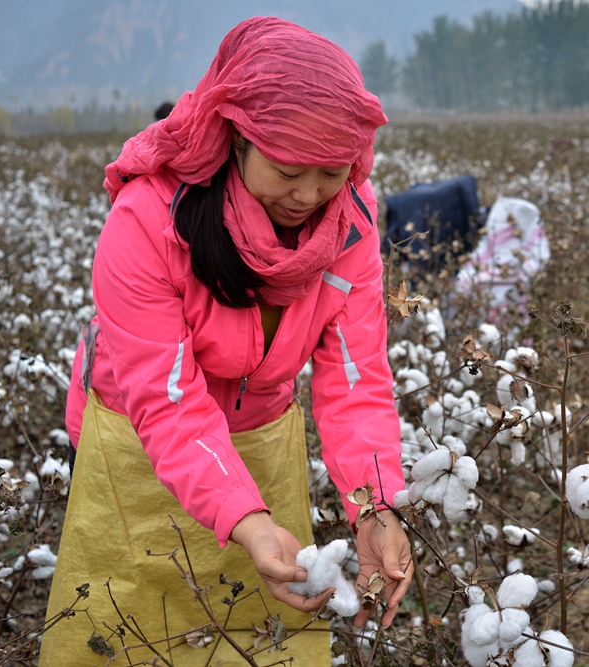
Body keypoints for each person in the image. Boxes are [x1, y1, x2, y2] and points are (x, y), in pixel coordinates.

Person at [41, 17, 411, 664]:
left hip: (260, 435)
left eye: (332, 171)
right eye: (288, 169)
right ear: (236, 137)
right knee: (127, 631)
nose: (309, 194)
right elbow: (169, 400)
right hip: (136, 441)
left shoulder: (349, 221)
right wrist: (246, 518)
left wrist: (374, 504)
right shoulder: (147, 220)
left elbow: (356, 380)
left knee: (256, 635)